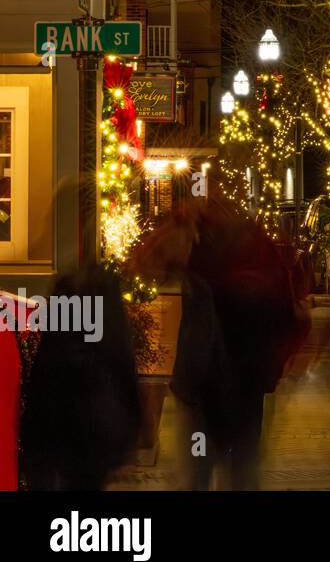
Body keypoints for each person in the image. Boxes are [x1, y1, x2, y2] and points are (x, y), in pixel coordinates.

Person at [132, 195, 308, 490]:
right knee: (237, 476)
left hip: (209, 391)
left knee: (203, 476)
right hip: (237, 390)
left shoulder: (203, 252)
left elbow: (145, 263)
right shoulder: (247, 247)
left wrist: (180, 226)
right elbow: (289, 313)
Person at [19, 266, 141, 490]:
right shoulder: (108, 326)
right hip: (97, 432)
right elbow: (124, 369)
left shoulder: (56, 345)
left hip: (57, 434)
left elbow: (40, 383)